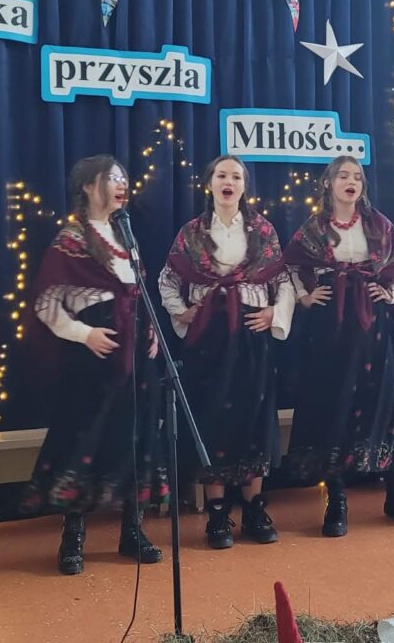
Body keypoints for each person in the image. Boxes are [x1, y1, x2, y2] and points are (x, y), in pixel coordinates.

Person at [21, 155, 166, 575]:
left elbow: (138, 294)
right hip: (94, 356)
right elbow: (46, 304)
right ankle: (73, 535)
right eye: (112, 178)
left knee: (136, 437)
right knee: (84, 439)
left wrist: (151, 331)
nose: (122, 185)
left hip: (135, 354)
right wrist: (84, 334)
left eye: (123, 178)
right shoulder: (71, 239)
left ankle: (132, 530)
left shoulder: (126, 235)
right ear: (87, 186)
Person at [284, 156, 394, 536]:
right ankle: (336, 499)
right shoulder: (314, 227)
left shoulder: (379, 225)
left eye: (358, 177)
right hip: (328, 327)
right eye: (343, 175)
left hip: (370, 327)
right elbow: (291, 265)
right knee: (333, 406)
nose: (351, 181)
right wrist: (305, 296)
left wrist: (390, 292)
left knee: (380, 403)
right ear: (329, 183)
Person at [160, 155, 294, 549]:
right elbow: (168, 279)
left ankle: (253, 509)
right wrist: (181, 312)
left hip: (251, 333)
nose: (228, 181)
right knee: (212, 418)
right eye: (221, 175)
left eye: (236, 176)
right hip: (208, 337)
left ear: (244, 186)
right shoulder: (192, 232)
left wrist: (273, 313)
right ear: (210, 183)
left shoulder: (263, 230)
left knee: (255, 417)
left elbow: (284, 280)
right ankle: (217, 513)